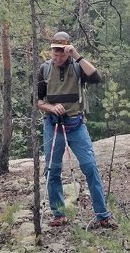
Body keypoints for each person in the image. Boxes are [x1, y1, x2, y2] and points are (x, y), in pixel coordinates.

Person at [35, 31, 116, 229]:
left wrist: (77, 56)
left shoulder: (78, 67)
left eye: (62, 52)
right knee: (52, 170)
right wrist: (51, 108)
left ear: (68, 50)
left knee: (90, 167)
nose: (58, 56)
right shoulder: (44, 70)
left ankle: (102, 215)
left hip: (76, 125)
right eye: (55, 52)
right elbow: (38, 102)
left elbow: (96, 78)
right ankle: (58, 214)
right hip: (52, 125)